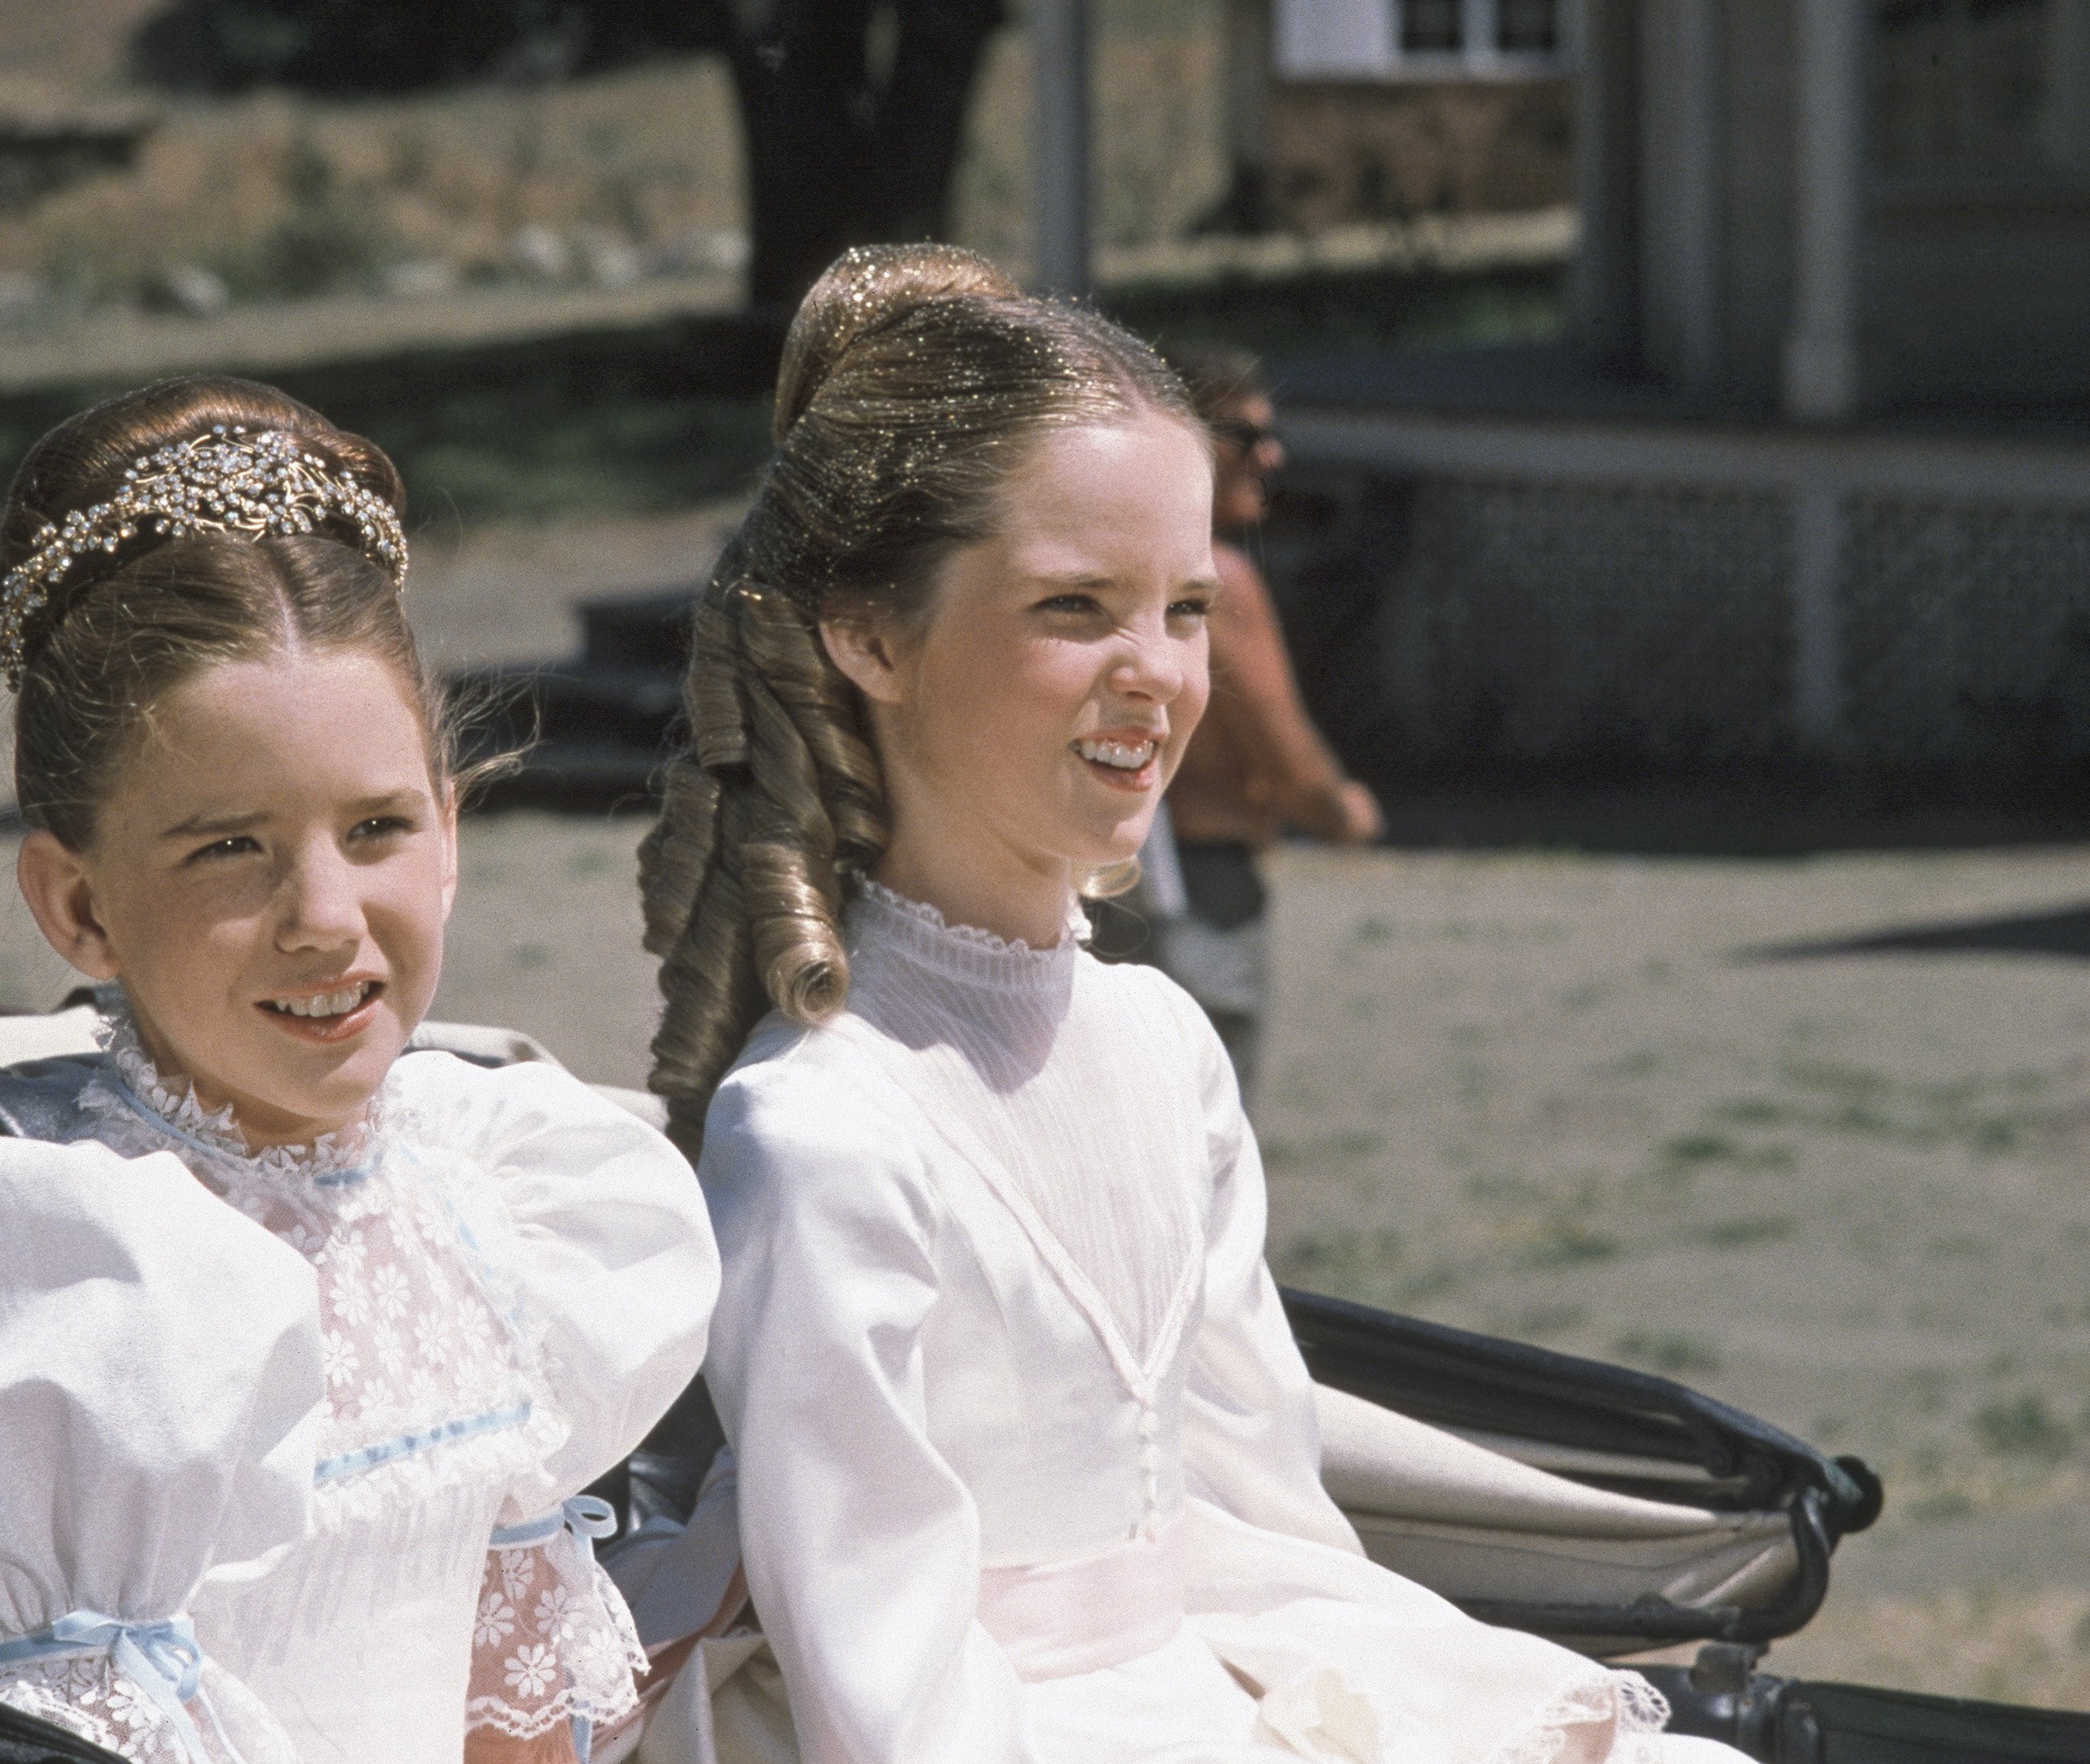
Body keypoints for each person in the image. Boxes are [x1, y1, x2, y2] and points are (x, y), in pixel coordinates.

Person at [633, 246, 1749, 1764]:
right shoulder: (826, 1126)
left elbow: (1257, 1527)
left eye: (1185, 608)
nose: (1152, 675)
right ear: (870, 633)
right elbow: (886, 1686)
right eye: (1075, 606)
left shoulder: (1160, 1048)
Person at [0, 377, 720, 1764]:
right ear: (79, 907)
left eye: (380, 828)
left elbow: (515, 1717)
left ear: (450, 839)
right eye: (229, 847)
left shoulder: (504, 1212)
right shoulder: (82, 1294)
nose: (325, 915)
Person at [1133, 343, 1380, 1102]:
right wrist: (1345, 814)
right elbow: (1287, 762)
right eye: (1247, 436)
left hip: (1108, 888)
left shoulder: (1096, 569)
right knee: (1200, 1167)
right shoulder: (1215, 578)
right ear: (1184, 438)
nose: (1272, 457)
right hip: (1200, 896)